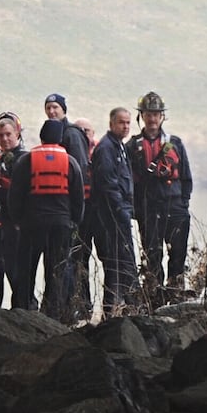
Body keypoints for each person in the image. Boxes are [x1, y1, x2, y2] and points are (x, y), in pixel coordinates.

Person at [9, 119, 86, 316]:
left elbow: (15, 195)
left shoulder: (26, 160)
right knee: (56, 272)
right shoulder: (70, 162)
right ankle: (55, 315)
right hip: (61, 225)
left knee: (26, 270)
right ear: (60, 139)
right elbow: (78, 198)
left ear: (42, 138)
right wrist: (74, 222)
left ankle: (22, 312)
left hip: (31, 224)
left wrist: (17, 220)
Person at [131, 91, 193, 296]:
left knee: (178, 254)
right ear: (142, 116)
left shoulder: (175, 143)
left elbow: (186, 177)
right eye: (148, 114)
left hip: (175, 206)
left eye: (156, 114)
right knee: (152, 256)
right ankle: (154, 298)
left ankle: (176, 295)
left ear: (162, 116)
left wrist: (183, 205)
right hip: (149, 208)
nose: (152, 119)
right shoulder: (132, 146)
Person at [44, 93, 94, 320]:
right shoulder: (52, 133)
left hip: (72, 210)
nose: (52, 111)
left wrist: (77, 211)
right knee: (65, 260)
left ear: (63, 109)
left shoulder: (71, 134)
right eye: (48, 108)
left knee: (74, 259)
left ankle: (77, 306)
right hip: (56, 210)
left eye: (55, 107)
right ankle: (65, 306)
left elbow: (79, 170)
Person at [90, 106, 138, 316]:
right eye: (121, 122)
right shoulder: (106, 148)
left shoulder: (119, 147)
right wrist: (120, 211)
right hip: (110, 217)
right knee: (118, 264)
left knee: (123, 263)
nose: (125, 126)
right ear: (111, 124)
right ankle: (114, 310)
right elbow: (108, 185)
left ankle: (126, 308)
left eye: (128, 122)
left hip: (121, 214)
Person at [0, 113, 29, 310]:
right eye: (0, 135)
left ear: (17, 134)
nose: (4, 139)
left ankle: (25, 306)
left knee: (15, 268)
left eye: (8, 134)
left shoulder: (23, 159)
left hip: (16, 223)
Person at [69, 116, 100, 322]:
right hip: (80, 212)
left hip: (97, 212)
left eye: (86, 130)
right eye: (79, 131)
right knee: (80, 258)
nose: (83, 134)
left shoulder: (101, 152)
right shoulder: (72, 155)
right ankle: (83, 304)